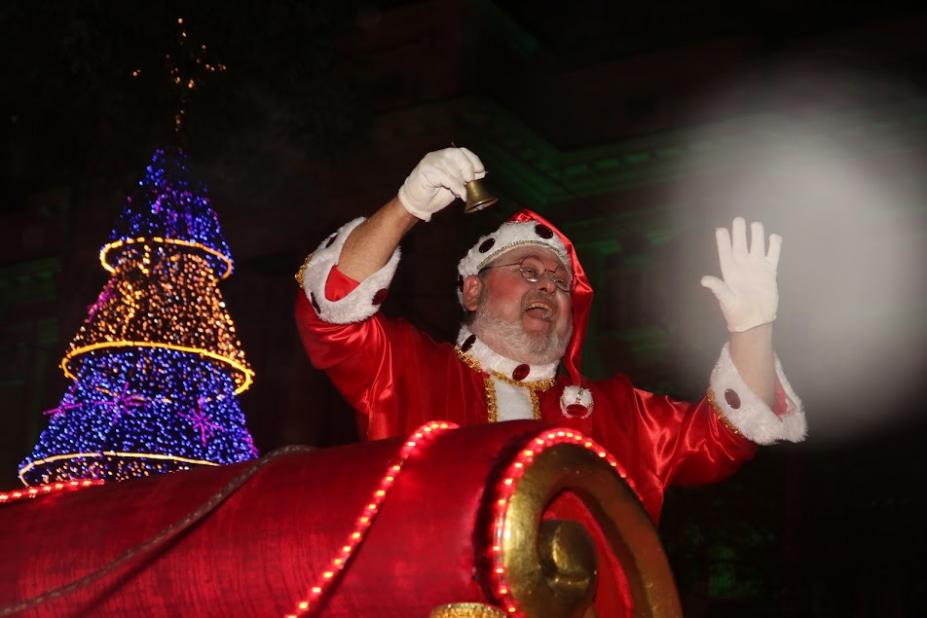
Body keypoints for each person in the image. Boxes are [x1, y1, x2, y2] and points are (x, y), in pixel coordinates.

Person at [295, 147, 806, 522]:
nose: (549, 287)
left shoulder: (621, 415)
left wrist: (752, 329)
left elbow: (724, 438)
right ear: (472, 290)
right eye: (529, 271)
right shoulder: (405, 367)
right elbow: (333, 308)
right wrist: (407, 205)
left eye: (561, 283)